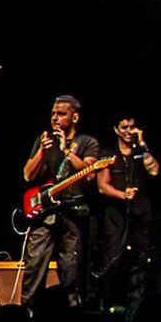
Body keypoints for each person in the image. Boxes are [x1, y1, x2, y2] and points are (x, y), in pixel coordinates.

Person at [18, 95, 101, 304]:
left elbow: (90, 173)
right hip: (44, 214)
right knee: (34, 266)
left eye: (61, 114)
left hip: (73, 213)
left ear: (74, 117)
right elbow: (27, 175)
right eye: (53, 114)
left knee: (70, 272)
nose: (55, 118)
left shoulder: (87, 142)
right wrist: (41, 153)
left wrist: (66, 151)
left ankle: (71, 318)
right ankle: (28, 316)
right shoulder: (44, 139)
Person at [93, 115, 160, 308]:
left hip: (140, 215)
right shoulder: (108, 153)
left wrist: (143, 145)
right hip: (116, 217)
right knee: (114, 260)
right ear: (116, 129)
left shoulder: (140, 153)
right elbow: (102, 186)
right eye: (124, 127)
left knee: (139, 262)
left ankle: (136, 306)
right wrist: (123, 195)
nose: (129, 131)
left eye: (132, 127)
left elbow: (154, 171)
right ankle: (112, 305)